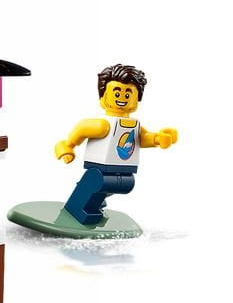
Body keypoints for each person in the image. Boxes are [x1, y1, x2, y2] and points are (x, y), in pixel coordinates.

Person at [54, 64, 177, 226]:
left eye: (128, 94)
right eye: (117, 93)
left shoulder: (134, 125)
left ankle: (94, 204)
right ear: (103, 96)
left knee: (120, 186)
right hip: (99, 167)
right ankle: (79, 209)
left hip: (124, 169)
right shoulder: (102, 124)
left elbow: (142, 138)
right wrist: (67, 147)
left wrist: (159, 139)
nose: (122, 98)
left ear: (137, 98)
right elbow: (81, 130)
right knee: (96, 184)